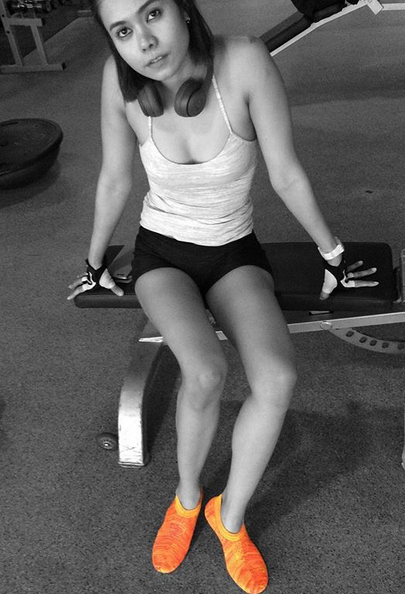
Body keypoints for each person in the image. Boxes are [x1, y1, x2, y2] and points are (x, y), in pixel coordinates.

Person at [68, 1, 378, 592]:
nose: (144, 41)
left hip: (234, 251)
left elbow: (286, 172)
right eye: (124, 31)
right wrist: (94, 262)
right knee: (205, 371)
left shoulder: (245, 61)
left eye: (153, 14)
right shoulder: (119, 79)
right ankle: (187, 500)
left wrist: (333, 255)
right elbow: (115, 178)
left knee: (278, 378)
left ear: (183, 10)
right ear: (114, 43)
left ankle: (228, 517)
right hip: (162, 255)